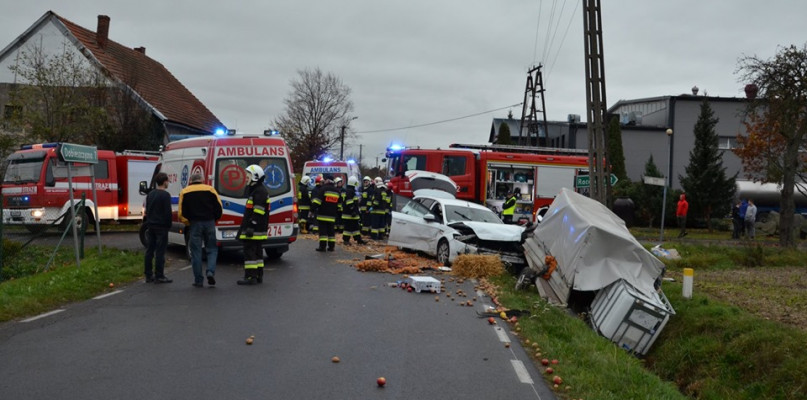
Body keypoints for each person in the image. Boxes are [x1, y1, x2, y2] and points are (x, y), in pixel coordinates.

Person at [179, 172, 223, 287]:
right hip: (209, 222)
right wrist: (214, 219)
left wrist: (188, 222)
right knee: (212, 249)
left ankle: (198, 280)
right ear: (202, 179)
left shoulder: (185, 192)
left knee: (196, 252)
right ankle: (210, 271)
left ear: (191, 180)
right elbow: (219, 208)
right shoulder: (210, 190)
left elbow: (181, 213)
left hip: (194, 224)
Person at [236, 165, 271, 285]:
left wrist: (251, 225)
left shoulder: (259, 191)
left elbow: (258, 211)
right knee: (257, 253)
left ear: (255, 177)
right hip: (257, 228)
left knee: (250, 252)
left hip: (254, 229)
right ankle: (258, 275)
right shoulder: (258, 190)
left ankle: (250, 277)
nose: (246, 178)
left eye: (248, 176)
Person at [144, 172, 173, 284]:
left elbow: (147, 210)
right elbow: (167, 212)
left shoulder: (150, 194)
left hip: (151, 225)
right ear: (165, 181)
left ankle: (148, 274)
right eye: (168, 181)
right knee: (160, 251)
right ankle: (159, 275)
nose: (168, 183)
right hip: (161, 226)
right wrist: (168, 225)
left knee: (149, 250)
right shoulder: (165, 195)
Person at [311, 174, 341, 251]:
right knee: (331, 232)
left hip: (322, 214)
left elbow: (317, 201)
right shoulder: (337, 191)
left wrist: (312, 209)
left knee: (323, 232)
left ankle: (322, 247)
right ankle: (331, 247)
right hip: (332, 215)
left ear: (327, 180)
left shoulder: (323, 189)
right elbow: (339, 204)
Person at [341, 176, 365, 245]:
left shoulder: (350, 190)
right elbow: (349, 202)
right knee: (347, 228)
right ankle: (346, 240)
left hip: (351, 213)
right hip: (349, 214)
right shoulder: (349, 191)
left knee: (356, 227)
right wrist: (352, 210)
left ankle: (358, 239)